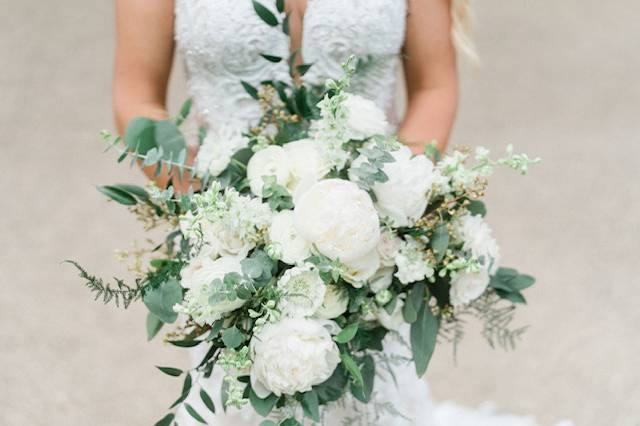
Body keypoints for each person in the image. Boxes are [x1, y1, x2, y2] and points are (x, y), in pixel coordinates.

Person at [112, 1, 546, 424]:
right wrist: (213, 216)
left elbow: (434, 86)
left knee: (371, 398)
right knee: (243, 394)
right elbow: (137, 95)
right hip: (231, 242)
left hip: (368, 242)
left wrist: (389, 207)